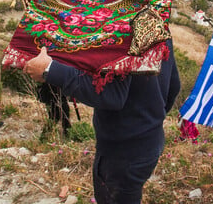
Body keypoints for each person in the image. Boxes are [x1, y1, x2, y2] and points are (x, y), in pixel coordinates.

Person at [24, 40, 181, 204]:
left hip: (121, 152)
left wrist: (50, 70)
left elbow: (112, 95)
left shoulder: (120, 30)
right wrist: (150, 120)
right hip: (150, 142)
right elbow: (173, 86)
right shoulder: (155, 20)